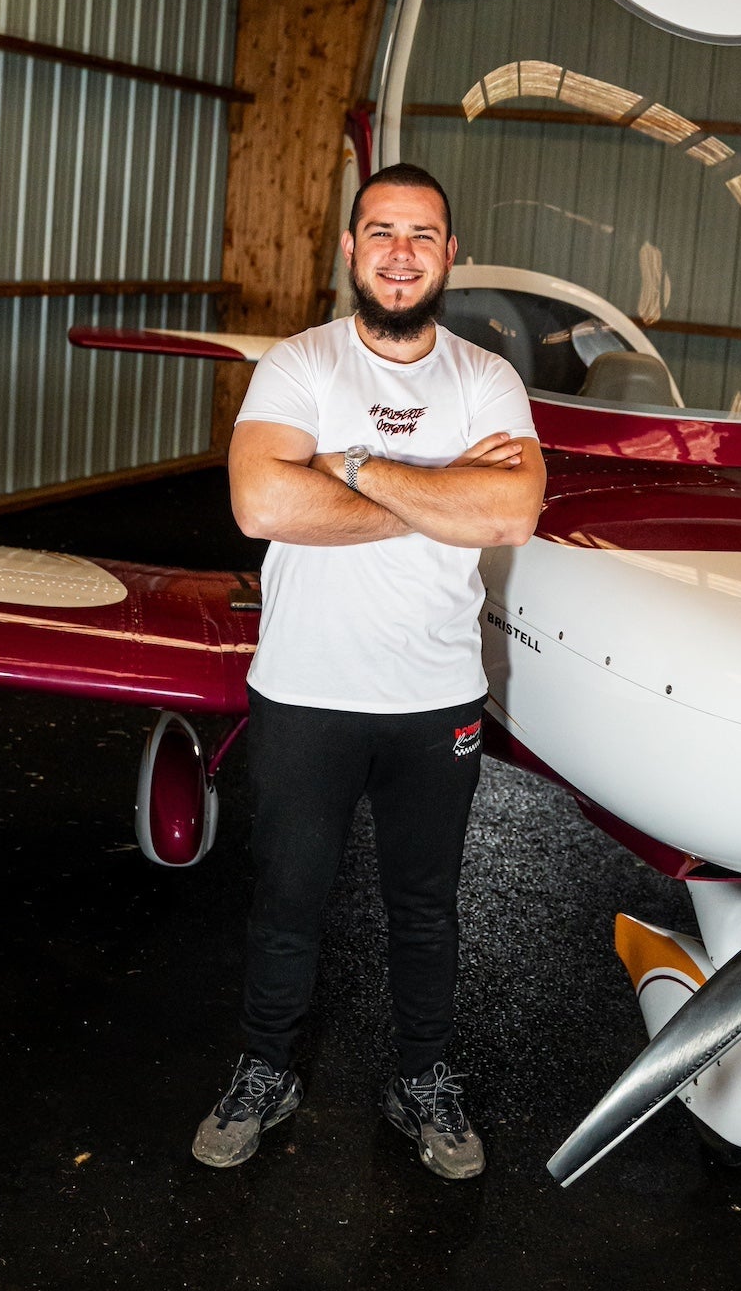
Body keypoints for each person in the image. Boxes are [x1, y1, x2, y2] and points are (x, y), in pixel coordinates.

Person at [193, 163, 545, 1180]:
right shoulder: (299, 367)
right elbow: (262, 505)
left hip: (434, 698)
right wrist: (443, 488)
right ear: (349, 250)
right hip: (306, 689)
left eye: (422, 235)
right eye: (380, 231)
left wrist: (343, 466)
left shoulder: (485, 379)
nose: (400, 251)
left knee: (426, 906)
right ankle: (264, 1067)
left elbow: (511, 513)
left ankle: (422, 1077)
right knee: (288, 898)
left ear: (450, 256)